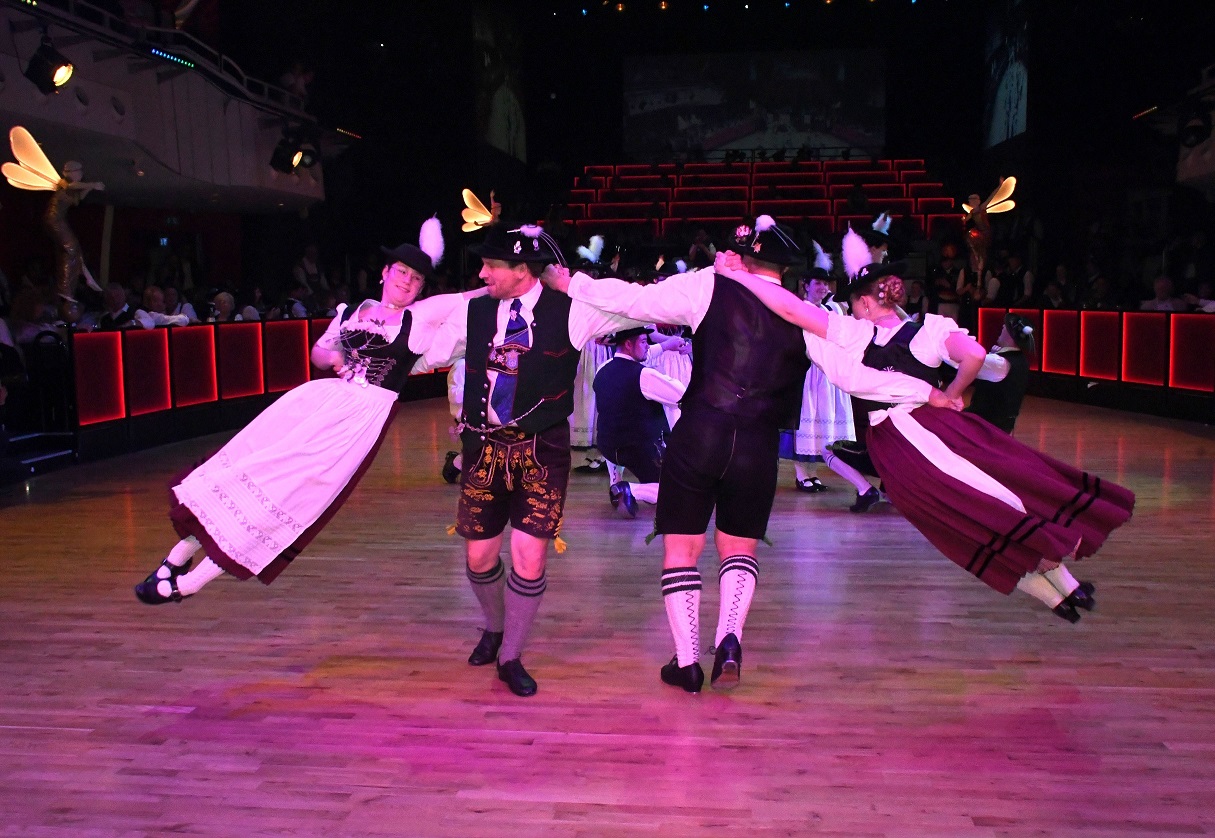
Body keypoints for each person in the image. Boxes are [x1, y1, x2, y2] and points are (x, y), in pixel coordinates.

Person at [542, 216, 950, 693]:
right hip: (757, 445)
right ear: (784, 268)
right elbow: (856, 379)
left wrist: (573, 284)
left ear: (746, 258)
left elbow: (633, 299)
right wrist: (926, 393)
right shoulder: (804, 316)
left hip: (700, 433)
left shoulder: (707, 286)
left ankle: (687, 662)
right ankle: (729, 641)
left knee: (682, 548)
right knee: (739, 548)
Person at [717, 257, 1135, 623]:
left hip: (904, 443)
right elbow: (975, 356)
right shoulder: (928, 331)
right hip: (941, 429)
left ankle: (1058, 596)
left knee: (964, 524)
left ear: (866, 303)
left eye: (855, 305)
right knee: (997, 500)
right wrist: (950, 394)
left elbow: (796, 315)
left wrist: (740, 278)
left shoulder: (854, 335)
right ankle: (1068, 589)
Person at [133, 222, 469, 604]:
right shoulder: (351, 313)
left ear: (421, 289)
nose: (407, 281)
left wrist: (521, 273)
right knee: (248, 469)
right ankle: (174, 562)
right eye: (402, 272)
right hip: (319, 404)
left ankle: (189, 583)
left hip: (358, 421)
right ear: (385, 273)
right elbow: (319, 352)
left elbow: (473, 297)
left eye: (416, 278)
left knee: (288, 496)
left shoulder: (421, 318)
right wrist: (334, 357)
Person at [415, 222, 646, 698]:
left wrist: (576, 283)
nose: (482, 274)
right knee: (479, 556)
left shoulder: (572, 311)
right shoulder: (474, 312)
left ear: (523, 270)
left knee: (529, 554)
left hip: (543, 450)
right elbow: (428, 355)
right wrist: (370, 363)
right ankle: (495, 626)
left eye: (491, 265)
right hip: (483, 447)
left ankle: (511, 655)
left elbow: (633, 304)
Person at [593, 326, 686, 518]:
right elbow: (680, 396)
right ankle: (628, 489)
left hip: (608, 446)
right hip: (640, 450)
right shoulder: (644, 375)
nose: (647, 346)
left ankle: (615, 480)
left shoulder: (602, 369)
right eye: (643, 342)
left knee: (614, 424)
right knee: (679, 491)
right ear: (628, 344)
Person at [966, 313, 1033, 434]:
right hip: (1003, 424)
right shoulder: (1020, 360)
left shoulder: (1000, 362)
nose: (1002, 327)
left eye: (1005, 327)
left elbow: (963, 363)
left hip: (985, 426)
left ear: (1010, 336)